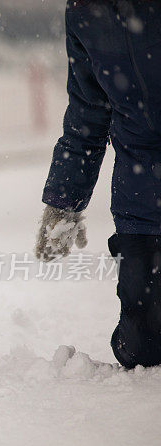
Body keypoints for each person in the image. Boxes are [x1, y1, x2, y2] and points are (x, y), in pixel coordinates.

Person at [35, 0, 161, 368]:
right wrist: (63, 202)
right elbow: (88, 114)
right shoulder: (84, 14)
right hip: (142, 204)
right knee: (142, 348)